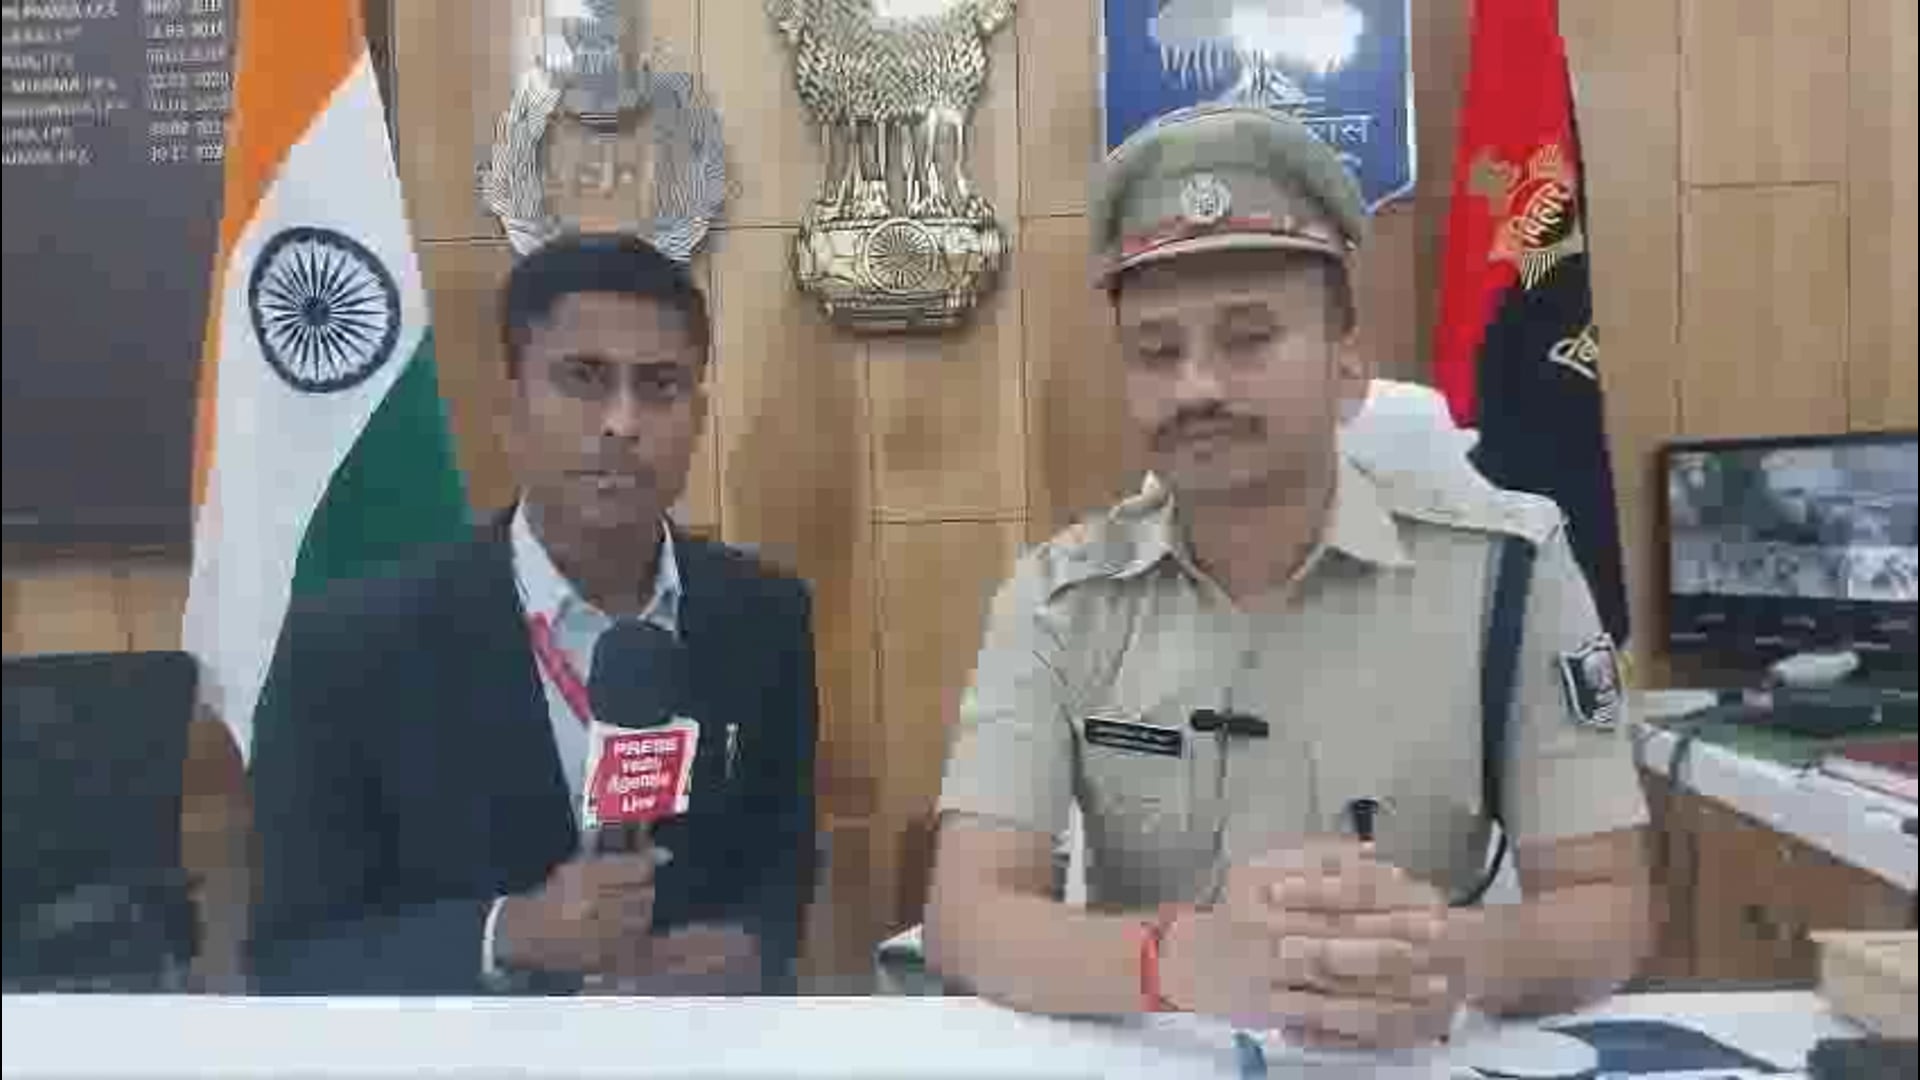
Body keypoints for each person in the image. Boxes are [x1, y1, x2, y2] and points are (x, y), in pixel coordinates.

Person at [923, 105, 1651, 1050]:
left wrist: (1448, 956)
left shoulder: (1507, 570)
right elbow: (966, 913)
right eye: (1156, 352)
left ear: (1348, 366)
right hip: (1165, 1053)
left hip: (1408, 1056)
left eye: (1248, 338)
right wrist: (1178, 961)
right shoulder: (1061, 598)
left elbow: (1608, 906)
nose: (1196, 387)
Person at [249, 233, 818, 995]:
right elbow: (292, 957)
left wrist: (750, 950)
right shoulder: (350, 644)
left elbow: (781, 871)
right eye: (584, 379)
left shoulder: (765, 617)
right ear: (511, 408)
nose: (622, 423)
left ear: (699, 416)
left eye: (660, 386)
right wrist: (507, 934)